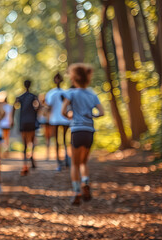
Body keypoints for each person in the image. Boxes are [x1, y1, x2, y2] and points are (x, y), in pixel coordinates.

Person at [61, 63, 104, 205]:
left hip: (76, 131)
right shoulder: (92, 94)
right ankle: (85, 181)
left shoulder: (71, 93)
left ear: (73, 78)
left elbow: (63, 111)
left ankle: (76, 191)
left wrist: (70, 116)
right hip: (89, 131)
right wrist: (92, 116)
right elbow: (101, 112)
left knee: (74, 163)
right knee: (84, 162)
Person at [12, 79, 40, 176]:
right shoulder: (33, 96)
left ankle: (25, 163)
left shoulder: (20, 97)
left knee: (24, 144)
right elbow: (38, 106)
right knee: (31, 141)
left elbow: (14, 107)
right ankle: (31, 156)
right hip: (31, 121)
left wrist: (12, 119)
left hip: (23, 122)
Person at [46, 73, 71, 171]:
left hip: (58, 119)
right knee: (61, 140)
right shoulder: (64, 92)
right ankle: (61, 160)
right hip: (60, 119)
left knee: (61, 140)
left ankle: (62, 160)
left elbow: (49, 107)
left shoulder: (53, 93)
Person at [0, 91, 13, 156]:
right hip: (6, 124)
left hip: (1, 124)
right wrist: (10, 122)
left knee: (2, 138)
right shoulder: (9, 106)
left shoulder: (0, 106)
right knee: (6, 138)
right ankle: (5, 150)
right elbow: (10, 116)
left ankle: (2, 150)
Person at [38, 93, 52, 161]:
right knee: (47, 139)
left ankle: (48, 154)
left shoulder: (46, 107)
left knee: (48, 138)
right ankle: (47, 154)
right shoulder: (42, 107)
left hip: (48, 124)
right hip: (45, 124)